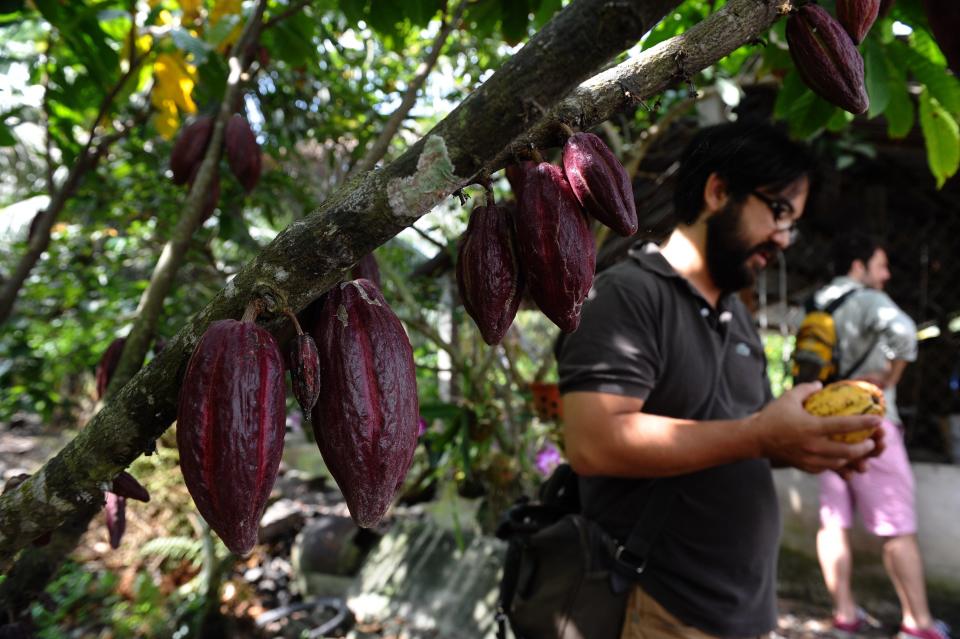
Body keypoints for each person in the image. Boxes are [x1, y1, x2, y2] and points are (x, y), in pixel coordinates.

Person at [557, 121, 885, 639]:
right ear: (718, 191)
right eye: (779, 213)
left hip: (743, 613)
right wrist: (761, 435)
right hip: (659, 609)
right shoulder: (628, 295)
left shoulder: (738, 316)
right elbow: (594, 442)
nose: (784, 238)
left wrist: (812, 442)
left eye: (793, 225)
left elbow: (743, 433)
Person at [814, 233, 950, 639]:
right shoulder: (869, 300)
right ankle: (918, 624)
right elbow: (906, 333)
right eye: (880, 265)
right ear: (858, 266)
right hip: (871, 423)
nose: (886, 275)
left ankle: (844, 616)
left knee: (832, 522)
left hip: (825, 422)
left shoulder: (817, 302)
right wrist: (888, 379)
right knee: (897, 527)